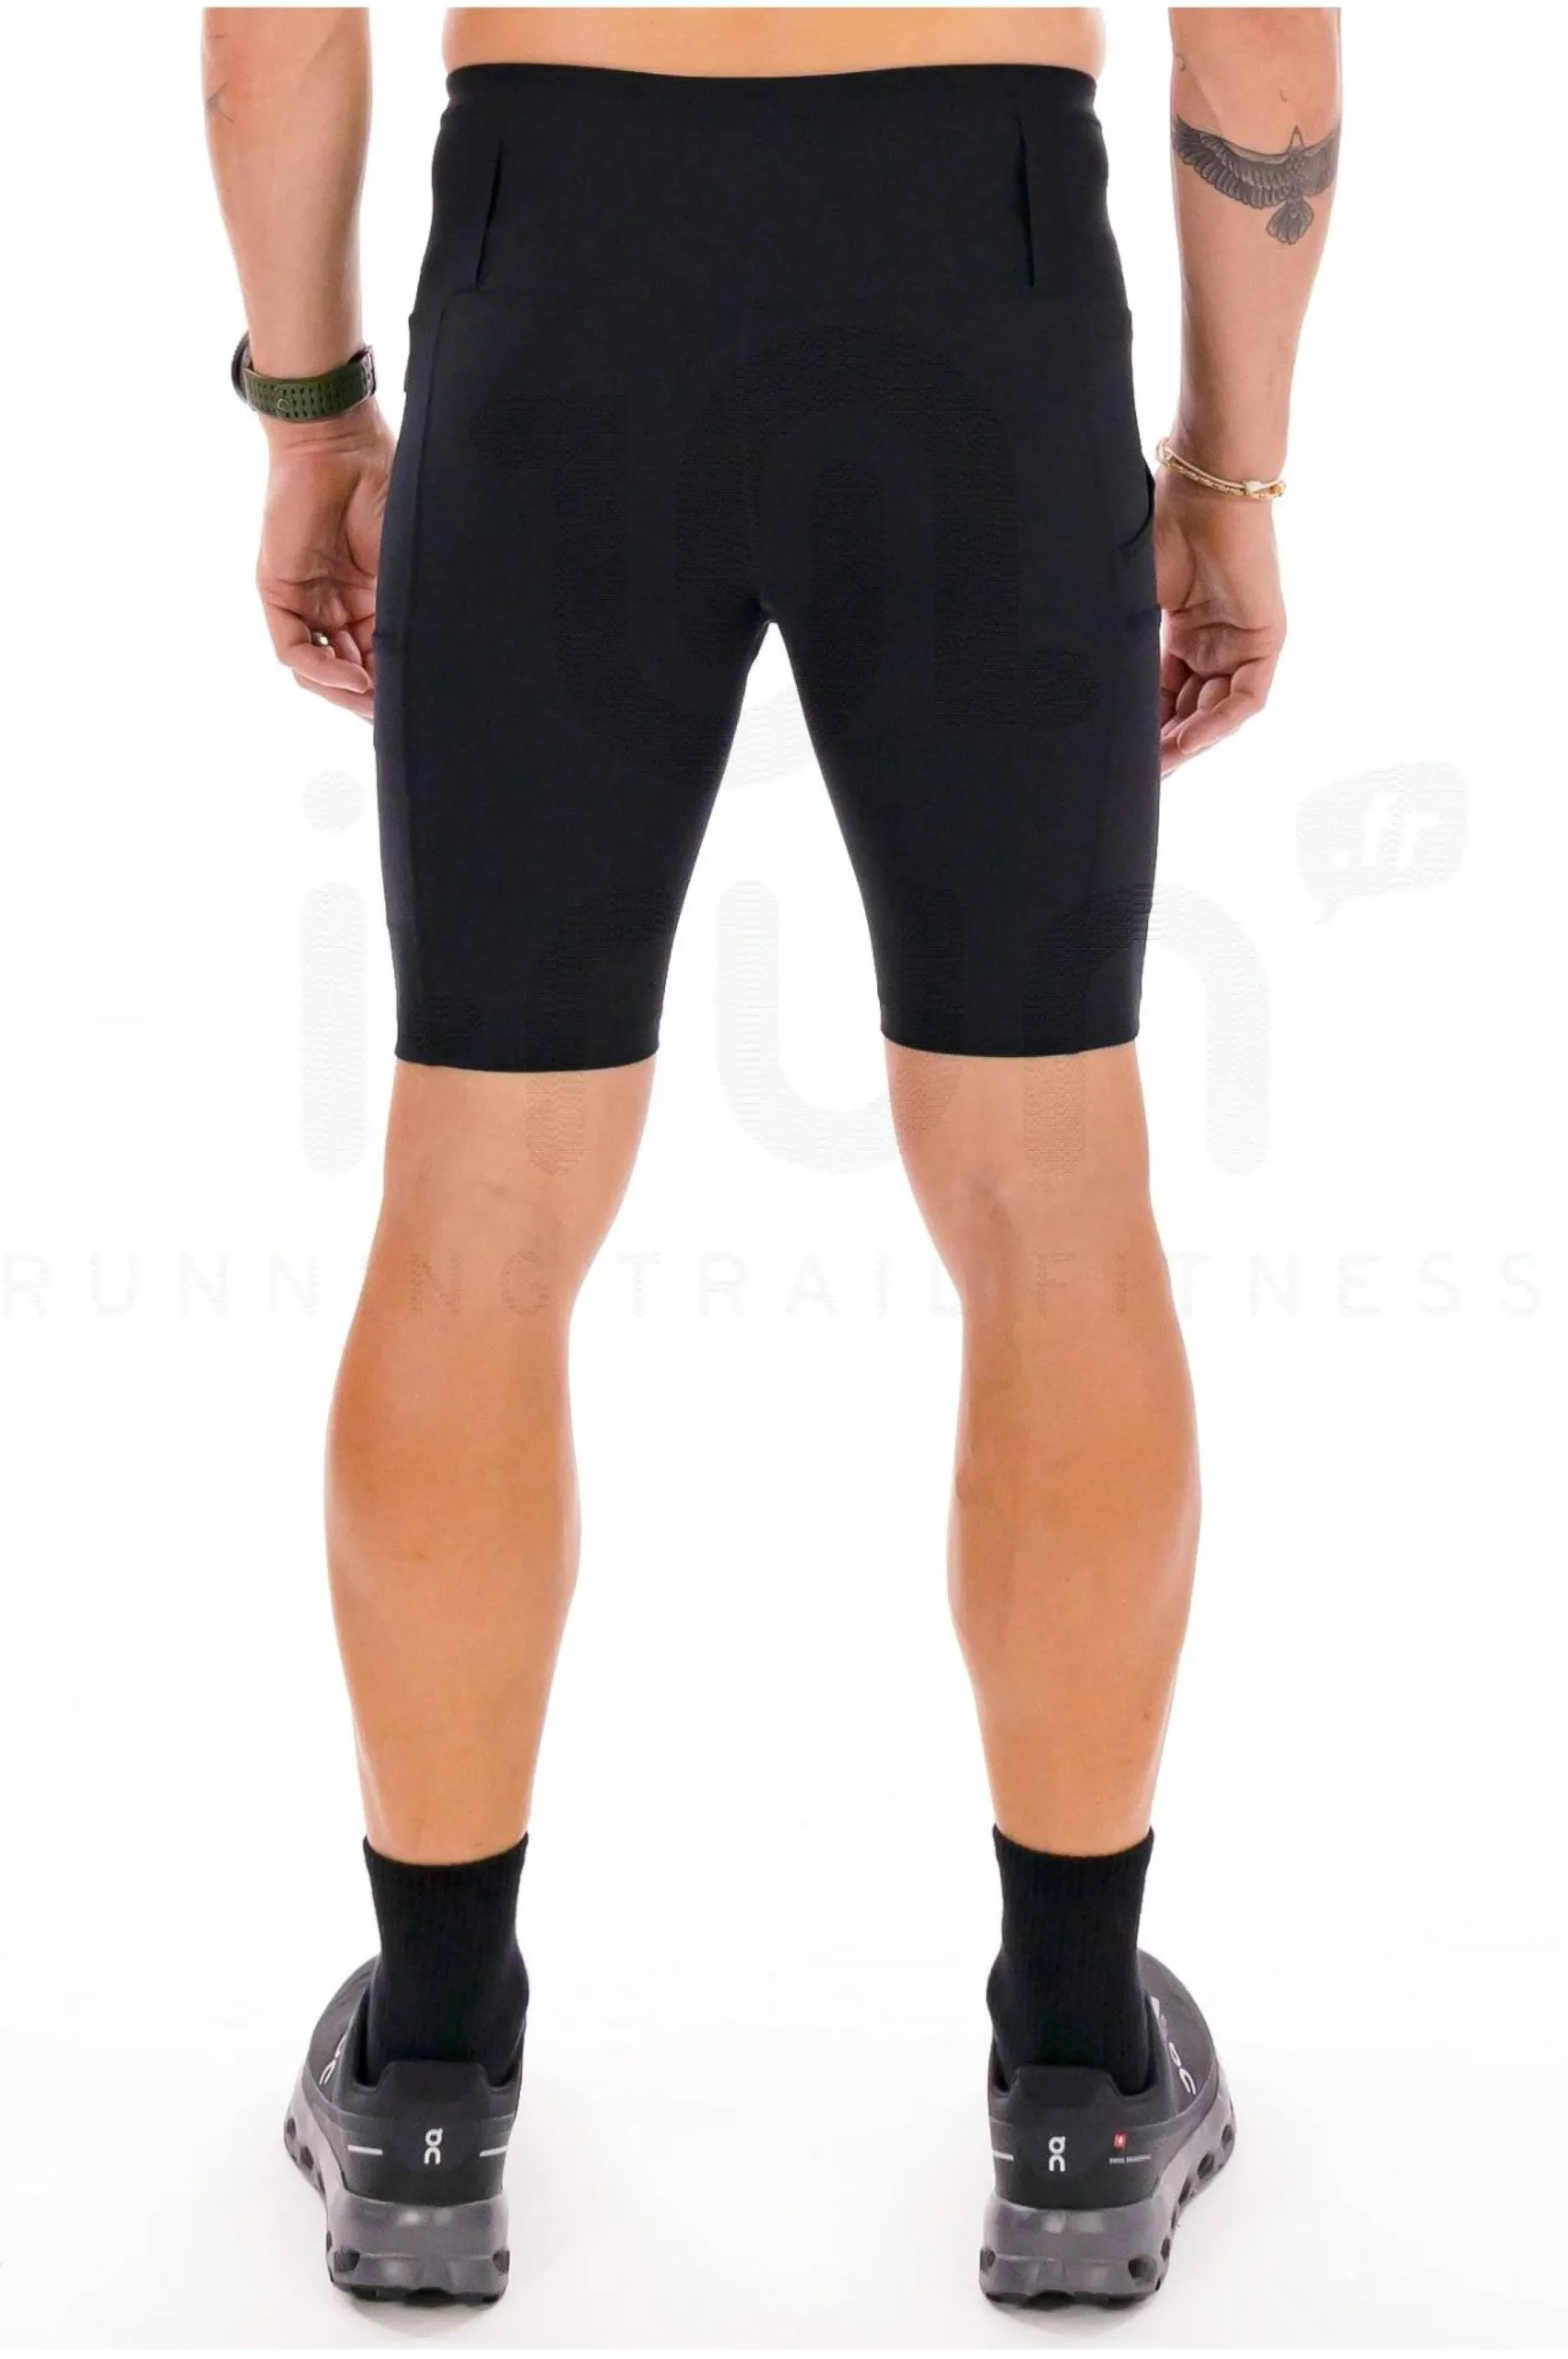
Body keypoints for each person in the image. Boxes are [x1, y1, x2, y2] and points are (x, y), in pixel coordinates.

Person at [204, 4, 1339, 2308]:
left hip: (555, 250)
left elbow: (272, 25)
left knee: (480, 1195)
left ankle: (428, 2076)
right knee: (1048, 1189)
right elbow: (1258, 42)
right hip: (977, 261)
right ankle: (1075, 2077)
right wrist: (1225, 477)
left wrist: (313, 411)